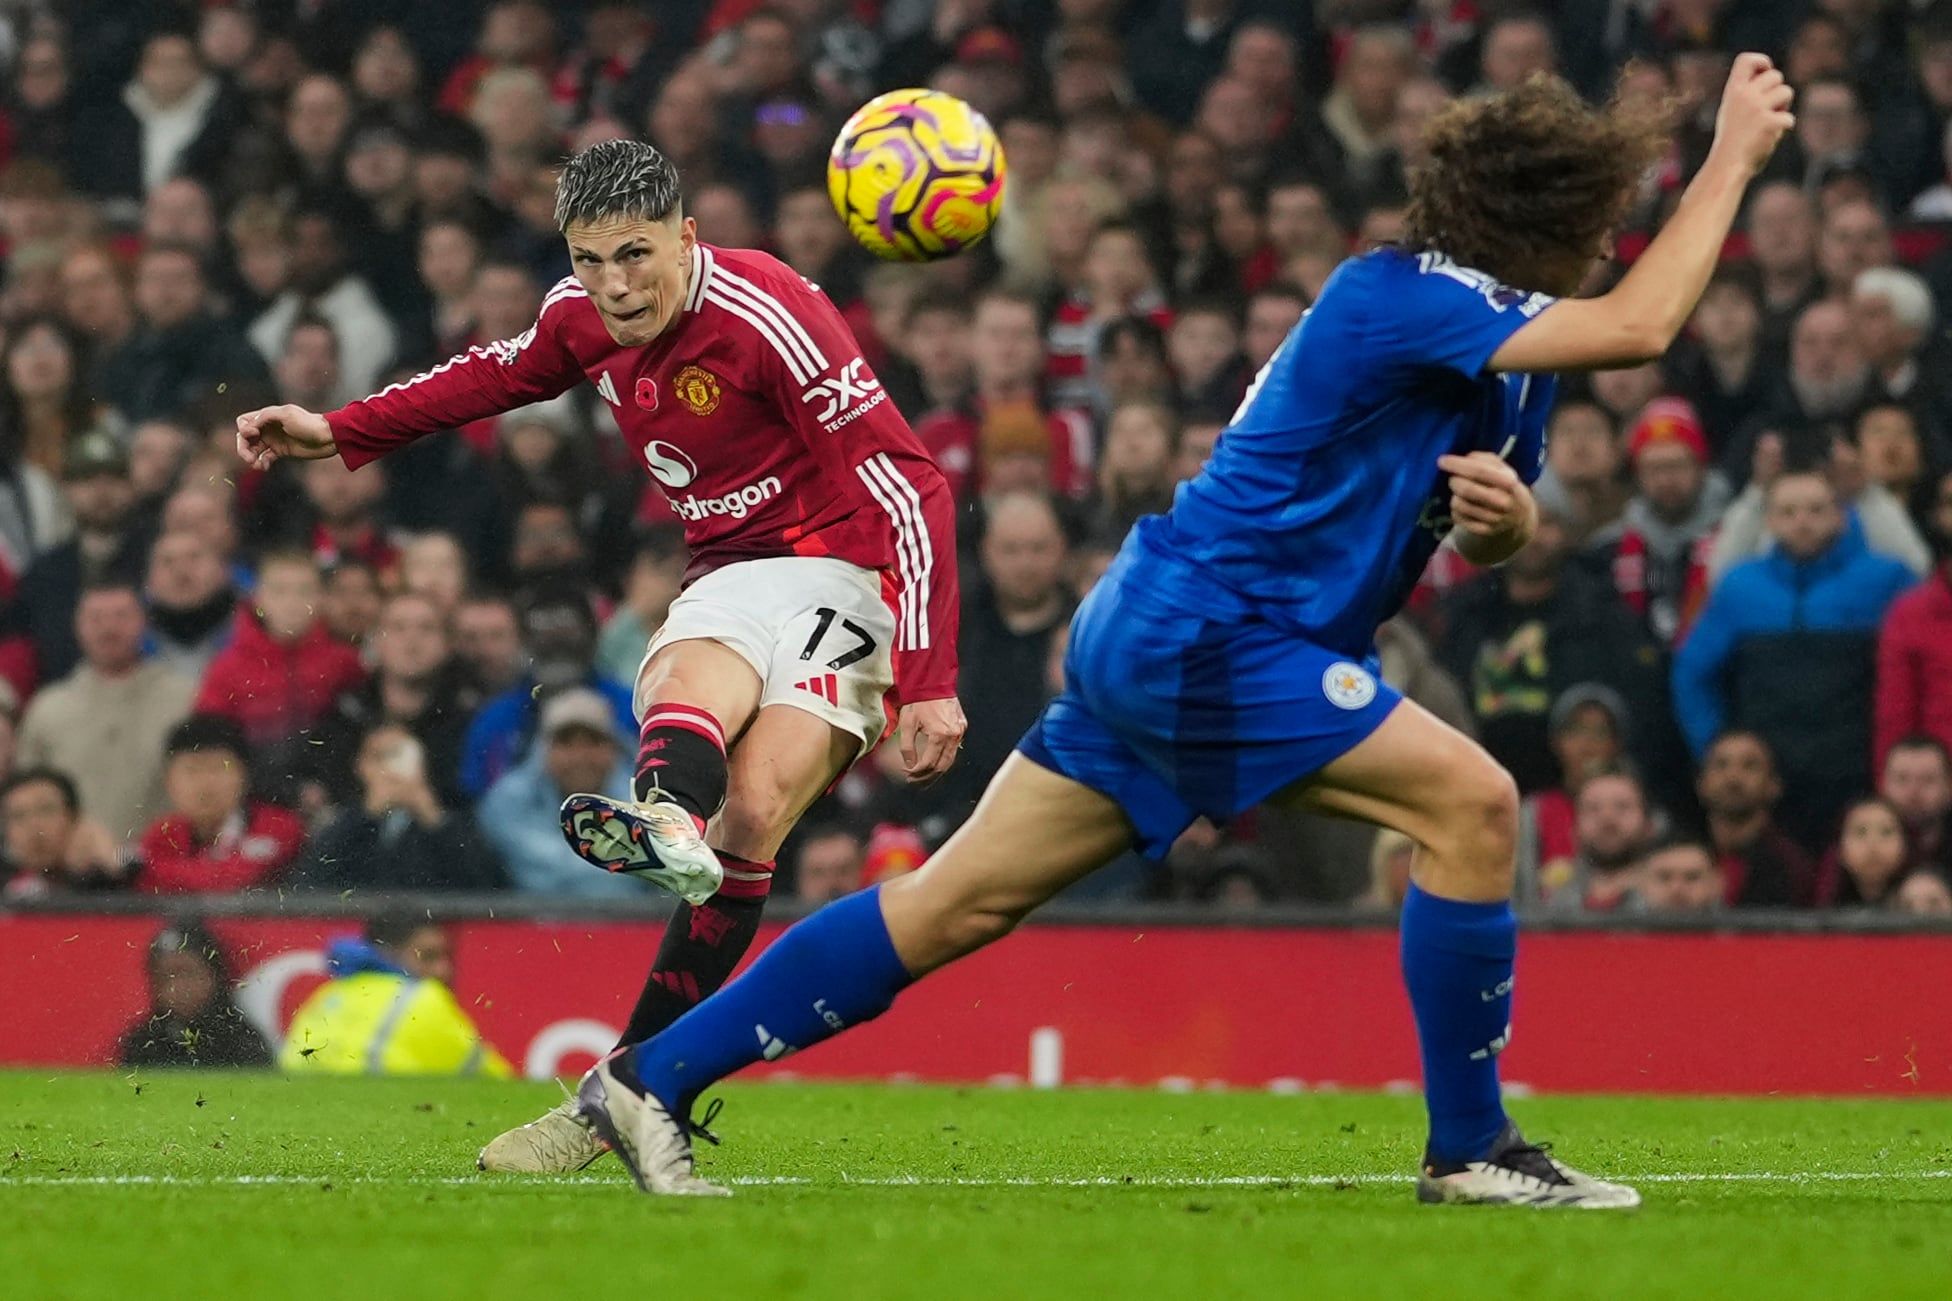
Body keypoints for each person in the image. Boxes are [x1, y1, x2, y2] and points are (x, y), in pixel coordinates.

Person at [567, 59, 1796, 1201]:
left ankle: (645, 1077)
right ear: (1562, 216)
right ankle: (1471, 1146)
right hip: (1218, 632)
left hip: (1174, 625)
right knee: (1471, 804)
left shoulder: (1509, 359)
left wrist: (1501, 529)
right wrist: (1728, 160)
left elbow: (1457, 518)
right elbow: (1642, 326)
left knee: (951, 905)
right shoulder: (1398, 292)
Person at [236, 137, 966, 1172]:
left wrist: (930, 681)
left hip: (852, 578)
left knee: (754, 813)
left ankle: (616, 1087)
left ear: (685, 236)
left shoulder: (769, 315)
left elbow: (910, 484)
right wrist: (338, 429)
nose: (615, 286)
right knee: (683, 683)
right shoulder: (578, 315)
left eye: (635, 255)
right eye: (589, 259)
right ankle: (665, 820)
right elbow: (489, 376)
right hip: (729, 570)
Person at [279, 912, 513, 1077]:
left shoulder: (330, 993)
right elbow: (495, 1082)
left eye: (446, 957)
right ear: (388, 953)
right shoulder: (424, 997)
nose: (444, 970)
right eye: (428, 957)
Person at [118, 919, 272, 1069]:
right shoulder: (142, 1044)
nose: (177, 987)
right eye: (166, 976)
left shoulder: (241, 1041)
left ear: (214, 975)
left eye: (187, 973)